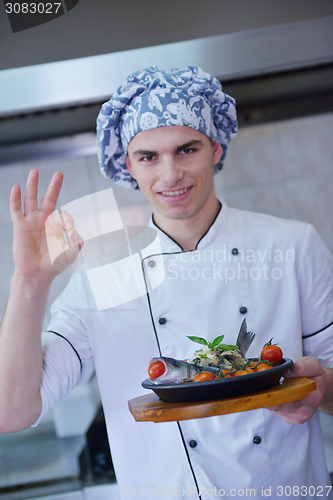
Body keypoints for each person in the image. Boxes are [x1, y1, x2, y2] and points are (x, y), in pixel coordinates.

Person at [1, 66, 333, 499]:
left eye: (186, 149)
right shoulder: (105, 277)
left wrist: (321, 388)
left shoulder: (290, 246)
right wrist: (29, 281)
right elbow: (12, 412)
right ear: (128, 166)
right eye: (148, 157)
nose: (170, 174)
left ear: (215, 149)